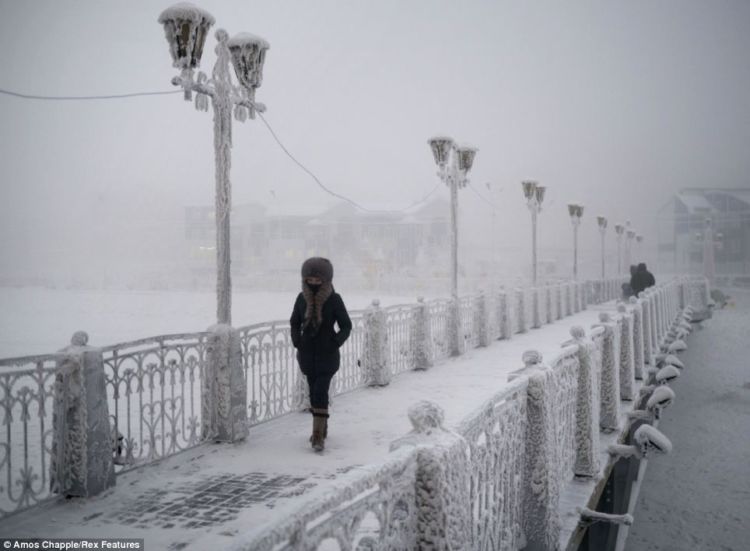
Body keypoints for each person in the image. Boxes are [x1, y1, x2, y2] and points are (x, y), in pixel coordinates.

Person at [290, 257, 352, 452]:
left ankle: (317, 436)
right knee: (312, 392)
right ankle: (322, 427)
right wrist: (297, 341)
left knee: (320, 391)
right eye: (310, 279)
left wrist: (334, 342)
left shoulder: (334, 299)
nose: (314, 283)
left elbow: (346, 325)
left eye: (318, 280)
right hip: (307, 355)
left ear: (326, 279)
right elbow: (294, 322)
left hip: (327, 355)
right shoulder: (301, 299)